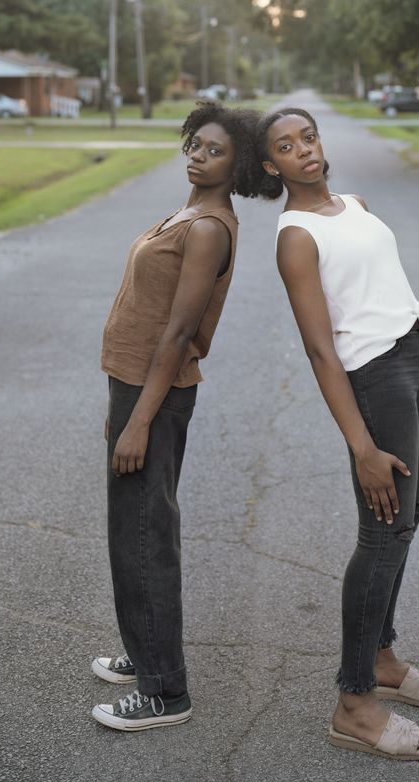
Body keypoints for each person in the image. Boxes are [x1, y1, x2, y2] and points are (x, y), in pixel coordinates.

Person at [253, 107, 419, 760]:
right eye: (285, 146)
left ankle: (384, 655)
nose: (303, 151)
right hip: (374, 378)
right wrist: (361, 446)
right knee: (385, 528)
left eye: (307, 137)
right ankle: (354, 700)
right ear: (269, 165)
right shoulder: (295, 236)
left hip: (416, 357)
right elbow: (320, 351)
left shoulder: (356, 204)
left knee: (412, 510)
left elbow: (397, 286)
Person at [91, 102, 260, 732]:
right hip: (136, 389)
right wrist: (125, 409)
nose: (199, 154)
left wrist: (138, 421)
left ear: (237, 165)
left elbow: (179, 331)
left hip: (154, 393)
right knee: (131, 528)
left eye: (216, 150)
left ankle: (165, 691)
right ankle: (144, 656)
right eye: (195, 143)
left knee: (145, 536)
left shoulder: (211, 226)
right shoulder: (189, 210)